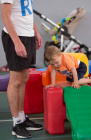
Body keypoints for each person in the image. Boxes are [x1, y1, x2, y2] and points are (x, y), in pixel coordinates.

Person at [1, 0, 43, 139]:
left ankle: (22, 118)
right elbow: (5, 16)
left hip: (28, 35)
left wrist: (35, 32)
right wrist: (17, 42)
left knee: (24, 78)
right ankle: (16, 124)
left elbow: (27, 14)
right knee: (16, 80)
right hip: (16, 37)